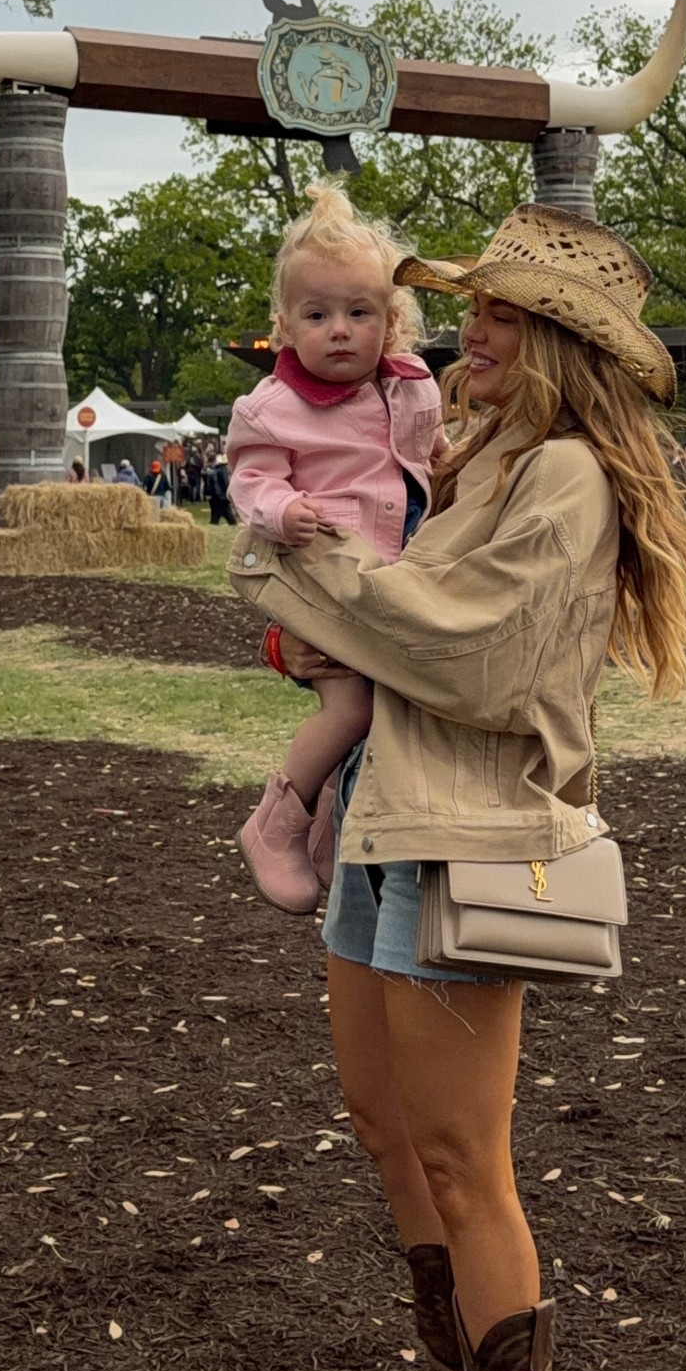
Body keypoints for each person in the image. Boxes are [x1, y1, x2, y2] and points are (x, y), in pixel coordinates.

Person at [230, 203, 686, 1371]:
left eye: (493, 316)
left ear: (556, 342)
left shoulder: (564, 481)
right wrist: (320, 593)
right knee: (384, 1125)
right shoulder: (475, 453)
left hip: (474, 835)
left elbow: (471, 657)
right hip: (385, 808)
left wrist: (300, 567)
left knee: (463, 1161)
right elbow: (389, 621)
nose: (462, 334)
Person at [227, 181, 445, 914]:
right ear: (284, 325)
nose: (340, 331)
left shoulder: (414, 388)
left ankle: (324, 835)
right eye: (317, 315)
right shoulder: (273, 407)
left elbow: (428, 454)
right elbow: (251, 479)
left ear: (393, 320)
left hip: (394, 581)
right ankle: (273, 824)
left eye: (359, 313)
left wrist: (456, 463)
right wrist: (282, 510)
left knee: (391, 715)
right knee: (349, 709)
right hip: (327, 584)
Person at [203, 452, 236, 525]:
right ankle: (230, 522)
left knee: (219, 512)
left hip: (217, 495)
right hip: (220, 494)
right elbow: (225, 482)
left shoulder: (212, 470)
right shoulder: (221, 469)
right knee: (223, 512)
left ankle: (215, 522)